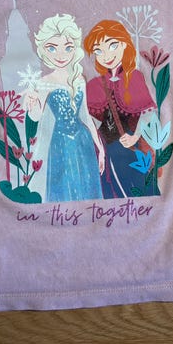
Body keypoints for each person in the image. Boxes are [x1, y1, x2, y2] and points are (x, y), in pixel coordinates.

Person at [24, 14, 104, 203]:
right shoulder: (44, 82)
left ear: (75, 49)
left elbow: (85, 116)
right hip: (59, 144)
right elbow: (35, 118)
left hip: (83, 141)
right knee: (65, 190)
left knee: (87, 188)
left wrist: (100, 149)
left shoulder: (79, 80)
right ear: (43, 50)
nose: (60, 55)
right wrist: (31, 103)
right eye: (52, 48)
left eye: (68, 48)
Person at [84, 20, 156, 198]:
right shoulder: (93, 85)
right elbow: (90, 121)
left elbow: (148, 114)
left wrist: (135, 137)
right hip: (108, 152)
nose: (106, 55)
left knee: (140, 188)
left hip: (132, 148)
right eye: (99, 51)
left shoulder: (135, 77)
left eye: (112, 46)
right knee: (113, 192)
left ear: (124, 44)